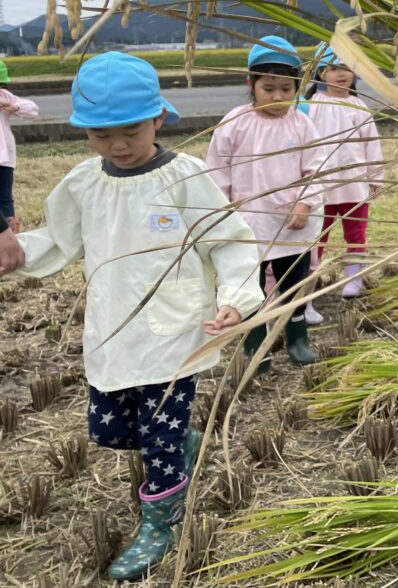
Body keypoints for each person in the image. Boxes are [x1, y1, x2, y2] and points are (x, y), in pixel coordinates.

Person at [0, 52, 262, 580]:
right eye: (101, 135)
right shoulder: (82, 183)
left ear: (159, 118)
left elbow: (229, 243)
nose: (118, 145)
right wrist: (18, 253)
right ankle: (181, 443)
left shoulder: (186, 178)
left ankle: (160, 523)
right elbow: (59, 239)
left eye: (131, 130)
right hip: (112, 333)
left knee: (159, 442)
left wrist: (236, 296)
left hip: (174, 335)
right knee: (109, 431)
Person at [206, 36, 323, 369]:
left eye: (286, 89)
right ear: (251, 84)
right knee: (248, 287)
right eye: (268, 88)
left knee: (293, 283)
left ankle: (297, 339)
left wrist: (305, 204)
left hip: (292, 225)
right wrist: (224, 212)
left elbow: (317, 169)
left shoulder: (302, 124)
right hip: (246, 224)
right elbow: (218, 169)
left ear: (296, 88)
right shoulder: (234, 123)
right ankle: (254, 348)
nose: (277, 96)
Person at [302, 45, 383, 323]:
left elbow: (371, 145)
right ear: (320, 72)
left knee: (356, 232)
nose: (341, 74)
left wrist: (375, 176)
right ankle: (306, 293)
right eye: (334, 68)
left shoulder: (360, 107)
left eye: (347, 68)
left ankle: (354, 280)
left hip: (354, 183)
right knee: (315, 238)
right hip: (320, 186)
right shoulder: (310, 107)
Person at [0, 59, 39, 231]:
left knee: (5, 199)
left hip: (5, 158)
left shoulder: (5, 97)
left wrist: (13, 106)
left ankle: (11, 235)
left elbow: (32, 110)